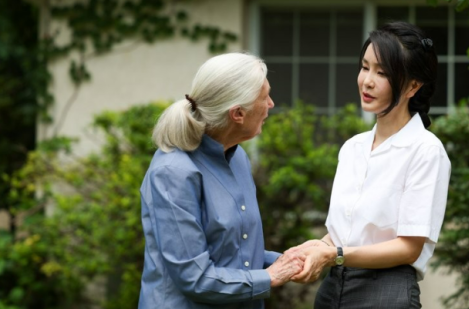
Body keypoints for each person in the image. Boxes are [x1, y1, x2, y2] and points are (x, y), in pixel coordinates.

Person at [289, 22, 451, 309]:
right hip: (332, 290)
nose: (367, 81)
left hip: (387, 293)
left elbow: (409, 248)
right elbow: (347, 234)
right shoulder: (353, 148)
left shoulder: (425, 151)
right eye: (365, 67)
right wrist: (314, 248)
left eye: (382, 72)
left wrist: (334, 254)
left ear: (413, 86)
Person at [138, 53, 303, 309]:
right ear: (237, 113)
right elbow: (195, 278)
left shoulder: (237, 158)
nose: (271, 104)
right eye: (264, 97)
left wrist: (292, 260)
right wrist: (269, 277)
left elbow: (237, 254)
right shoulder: (173, 172)